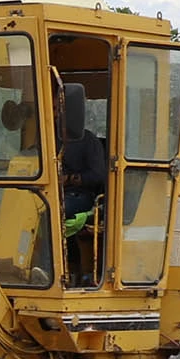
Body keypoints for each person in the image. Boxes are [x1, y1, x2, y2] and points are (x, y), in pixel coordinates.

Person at [57, 81, 108, 284]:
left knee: (56, 212)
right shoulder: (49, 139)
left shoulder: (89, 142)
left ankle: (69, 270)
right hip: (49, 192)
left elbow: (98, 176)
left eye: (57, 110)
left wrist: (69, 179)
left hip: (80, 196)